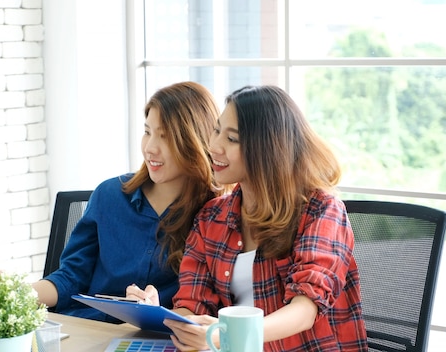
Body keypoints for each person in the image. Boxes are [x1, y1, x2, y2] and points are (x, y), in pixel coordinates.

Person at [127, 85, 368, 351]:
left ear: (267, 148)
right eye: (217, 131)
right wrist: (159, 316)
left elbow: (305, 309)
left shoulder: (322, 211)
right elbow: (192, 304)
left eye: (232, 139)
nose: (214, 146)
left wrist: (227, 333)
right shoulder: (211, 218)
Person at [32, 81, 224, 323]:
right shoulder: (110, 195)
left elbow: (206, 305)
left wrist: (152, 313)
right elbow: (71, 277)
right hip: (88, 327)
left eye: (164, 137)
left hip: (159, 337)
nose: (150, 148)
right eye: (147, 132)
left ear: (193, 140)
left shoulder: (215, 215)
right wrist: (19, 295)